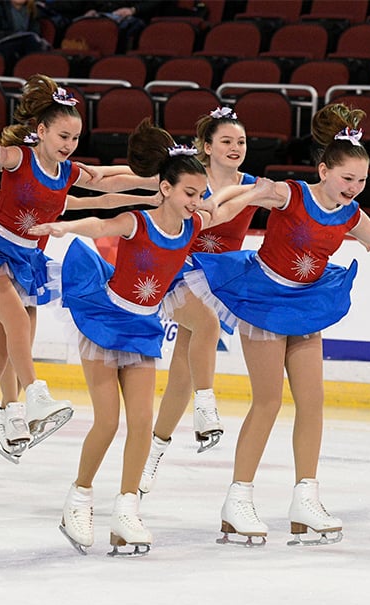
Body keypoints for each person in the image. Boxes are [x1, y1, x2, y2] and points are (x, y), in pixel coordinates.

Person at [185, 103, 370, 547]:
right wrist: (213, 207)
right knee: (267, 402)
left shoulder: (351, 215)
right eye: (347, 179)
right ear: (324, 170)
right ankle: (238, 499)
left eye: (362, 181)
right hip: (263, 297)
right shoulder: (292, 194)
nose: (355, 188)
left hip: (307, 303)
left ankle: (306, 497)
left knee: (312, 402)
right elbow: (245, 194)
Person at [29, 118, 274, 555]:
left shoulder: (194, 225)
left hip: (143, 326)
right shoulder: (136, 221)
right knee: (108, 421)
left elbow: (228, 207)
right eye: (189, 194)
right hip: (105, 319)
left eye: (200, 196)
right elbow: (99, 226)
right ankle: (79, 498)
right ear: (165, 188)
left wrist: (255, 192)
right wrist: (65, 227)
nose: (196, 203)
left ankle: (126, 511)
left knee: (141, 423)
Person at [0, 74, 157, 488]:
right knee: (17, 323)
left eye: (74, 137)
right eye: (62, 135)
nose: (69, 144)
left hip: (28, 260)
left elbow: (111, 182)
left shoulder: (69, 172)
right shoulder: (20, 158)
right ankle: (32, 398)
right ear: (41, 131)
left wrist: (159, 182)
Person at [140, 106, 258, 495]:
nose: (235, 147)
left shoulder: (253, 185)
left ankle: (153, 450)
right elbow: (134, 183)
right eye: (226, 141)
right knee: (206, 324)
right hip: (178, 268)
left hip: (219, 280)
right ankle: (206, 407)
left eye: (240, 141)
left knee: (180, 377)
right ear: (207, 146)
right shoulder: (190, 180)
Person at [0, 0, 51, 71]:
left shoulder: (32, 11)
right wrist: (15, 35)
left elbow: (35, 33)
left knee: (33, 43)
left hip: (26, 45)